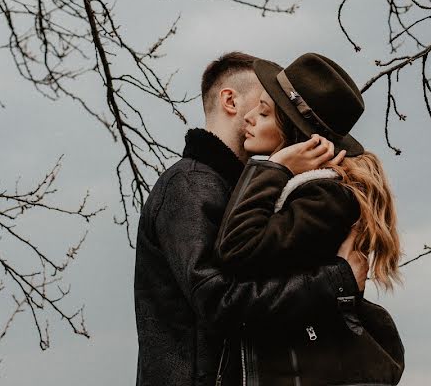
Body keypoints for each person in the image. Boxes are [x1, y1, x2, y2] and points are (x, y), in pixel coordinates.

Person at [134, 52, 368, 386]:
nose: (268, 110)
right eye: (264, 102)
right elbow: (217, 302)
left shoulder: (254, 192)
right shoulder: (190, 185)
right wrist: (334, 282)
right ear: (230, 100)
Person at [215, 52, 404, 385]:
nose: (249, 118)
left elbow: (237, 248)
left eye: (264, 112)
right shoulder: (305, 193)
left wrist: (274, 167)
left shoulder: (325, 199)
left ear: (296, 133)